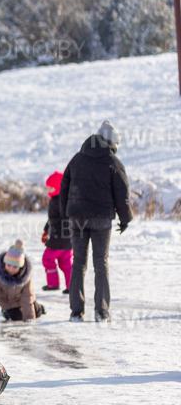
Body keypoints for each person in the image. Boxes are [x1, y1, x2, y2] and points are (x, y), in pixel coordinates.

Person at [59, 120, 132, 322]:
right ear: (111, 143)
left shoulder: (76, 159)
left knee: (78, 264)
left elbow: (63, 187)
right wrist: (125, 218)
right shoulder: (113, 162)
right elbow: (122, 193)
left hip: (77, 218)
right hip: (101, 220)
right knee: (101, 263)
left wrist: (66, 213)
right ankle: (102, 312)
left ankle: (76, 312)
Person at [0, 240, 43, 323]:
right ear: (4, 263)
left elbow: (27, 296)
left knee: (35, 311)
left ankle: (39, 308)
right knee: (16, 317)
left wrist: (29, 317)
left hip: (22, 300)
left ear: (20, 267)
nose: (11, 269)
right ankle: (6, 312)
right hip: (7, 303)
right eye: (8, 265)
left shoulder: (25, 277)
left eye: (15, 267)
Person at [41, 171, 72, 294]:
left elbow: (55, 220)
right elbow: (53, 219)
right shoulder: (66, 198)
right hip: (68, 238)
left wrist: (51, 234)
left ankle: (53, 284)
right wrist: (46, 230)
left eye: (51, 187)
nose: (48, 189)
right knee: (66, 263)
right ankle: (71, 286)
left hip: (59, 238)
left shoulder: (57, 201)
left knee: (47, 259)